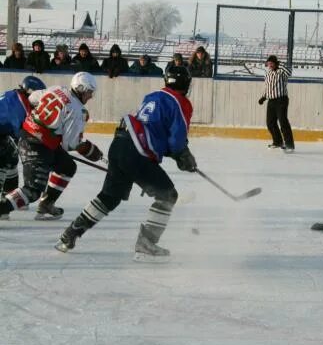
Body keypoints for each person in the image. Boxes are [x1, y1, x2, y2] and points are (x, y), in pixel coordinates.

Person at [55, 66, 197, 262]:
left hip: (120, 143)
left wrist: (177, 154)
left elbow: (154, 130)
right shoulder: (181, 102)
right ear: (186, 83)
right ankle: (146, 244)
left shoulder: (153, 95)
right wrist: (184, 155)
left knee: (109, 197)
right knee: (167, 195)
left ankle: (70, 234)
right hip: (137, 153)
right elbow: (176, 140)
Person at [0, 72, 102, 221]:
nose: (90, 96)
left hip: (36, 138)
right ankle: (2, 207)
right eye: (89, 92)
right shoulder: (77, 110)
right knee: (33, 190)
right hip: (35, 144)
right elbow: (70, 144)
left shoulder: (57, 88)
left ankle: (46, 205)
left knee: (67, 166)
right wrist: (89, 149)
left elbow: (32, 97)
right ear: (80, 89)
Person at [0, 76, 46, 205]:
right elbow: (21, 136)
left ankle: (7, 197)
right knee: (3, 159)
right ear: (30, 92)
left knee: (12, 157)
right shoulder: (18, 107)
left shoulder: (16, 95)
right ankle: (3, 204)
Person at [258, 55, 295, 152]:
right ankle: (278, 141)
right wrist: (263, 97)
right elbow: (268, 87)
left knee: (283, 122)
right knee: (270, 123)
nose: (269, 65)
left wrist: (280, 65)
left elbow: (289, 72)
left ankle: (289, 145)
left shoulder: (281, 72)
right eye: (268, 63)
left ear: (275, 63)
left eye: (271, 63)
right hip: (271, 101)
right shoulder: (268, 73)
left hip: (281, 100)